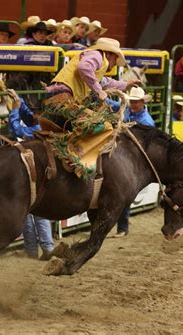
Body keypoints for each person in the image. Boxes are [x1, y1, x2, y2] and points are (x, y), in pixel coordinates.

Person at [6, 89, 54, 260]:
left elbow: (18, 130)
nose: (32, 114)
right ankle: (46, 248)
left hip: (32, 172)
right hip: (42, 171)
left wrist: (14, 110)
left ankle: (34, 250)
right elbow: (27, 114)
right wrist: (18, 100)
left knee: (28, 213)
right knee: (39, 213)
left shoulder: (36, 130)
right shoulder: (45, 124)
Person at [114, 87, 155, 237]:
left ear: (143, 102)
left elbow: (143, 146)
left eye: (136, 102)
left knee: (125, 192)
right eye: (132, 101)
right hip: (125, 154)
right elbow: (115, 105)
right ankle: (122, 227)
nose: (133, 104)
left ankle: (123, 227)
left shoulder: (146, 122)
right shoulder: (129, 111)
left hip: (135, 159)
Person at [48, 37, 139, 103]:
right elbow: (84, 67)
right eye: (115, 60)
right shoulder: (97, 54)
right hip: (63, 93)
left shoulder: (96, 63)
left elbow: (105, 82)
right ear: (109, 54)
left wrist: (125, 85)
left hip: (61, 93)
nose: (114, 66)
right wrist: (99, 91)